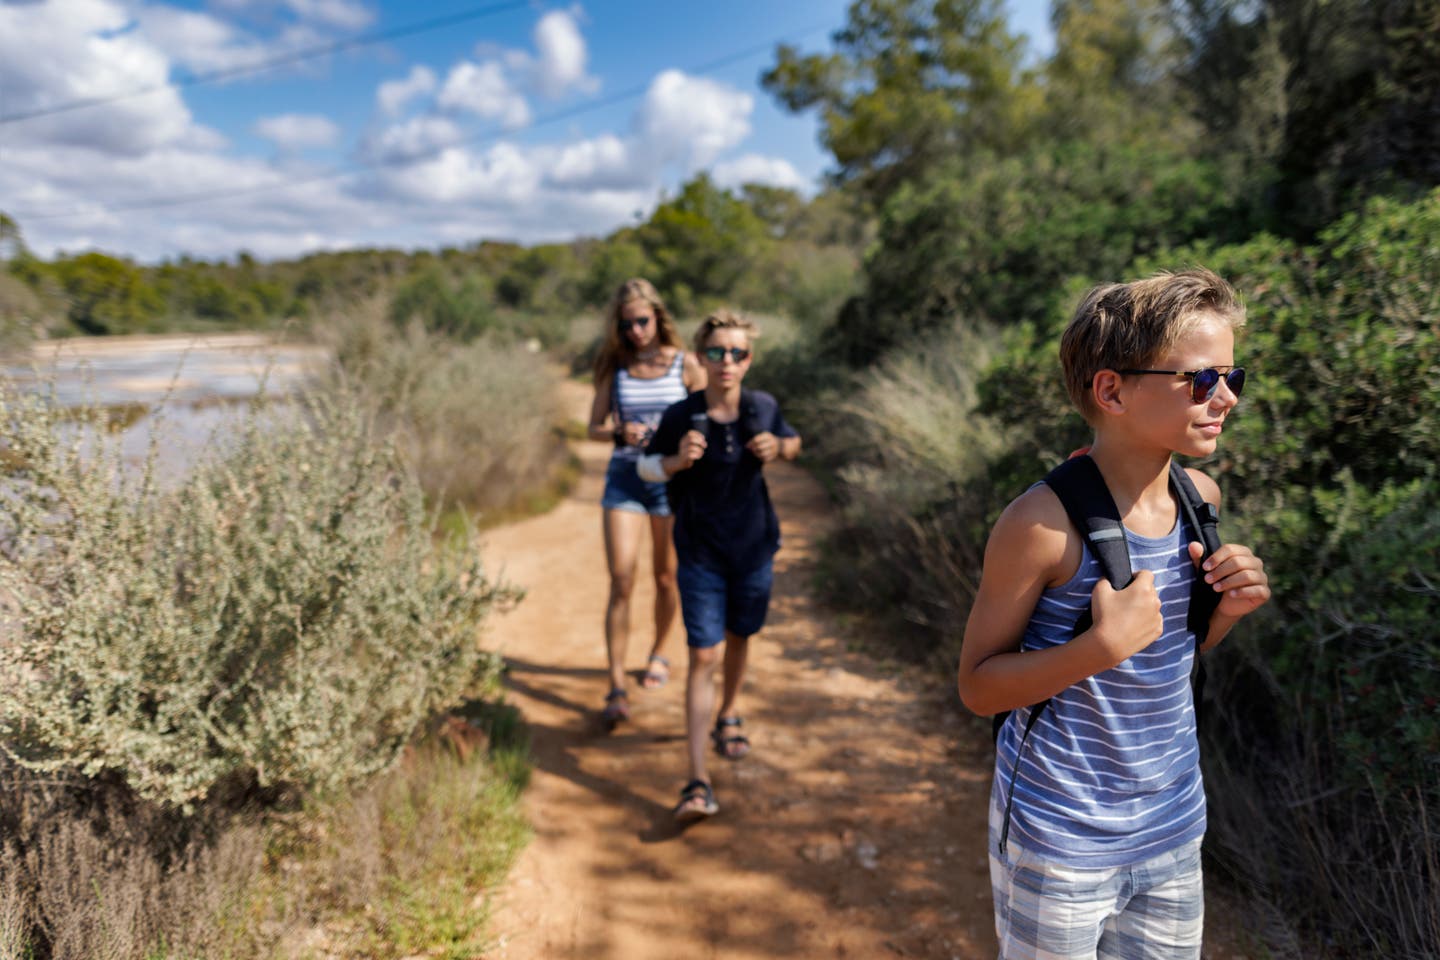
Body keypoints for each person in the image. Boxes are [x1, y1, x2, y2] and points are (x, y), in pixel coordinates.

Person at [956, 268, 1272, 959]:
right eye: (1199, 379)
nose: (1225, 398)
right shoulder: (1040, 525)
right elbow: (978, 687)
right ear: (1111, 389)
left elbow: (1160, 663)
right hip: (1059, 836)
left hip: (1172, 825)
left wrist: (1226, 613)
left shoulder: (1201, 497)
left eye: (1232, 376)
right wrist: (1097, 649)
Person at [637, 310, 801, 822]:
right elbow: (645, 466)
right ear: (700, 357)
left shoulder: (763, 407)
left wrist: (780, 447)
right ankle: (696, 780)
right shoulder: (681, 415)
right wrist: (676, 461)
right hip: (700, 552)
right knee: (702, 655)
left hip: (754, 549)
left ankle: (728, 713)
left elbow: (795, 443)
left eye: (737, 353)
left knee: (740, 638)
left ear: (749, 360)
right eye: (716, 352)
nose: (726, 361)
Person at [587, 278, 705, 728]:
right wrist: (618, 433)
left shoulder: (685, 365)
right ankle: (616, 684)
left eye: (642, 320)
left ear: (658, 317)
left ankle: (659, 652)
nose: (636, 330)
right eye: (627, 323)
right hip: (625, 478)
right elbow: (592, 427)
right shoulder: (613, 367)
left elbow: (704, 416)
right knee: (621, 578)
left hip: (671, 481)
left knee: (666, 576)